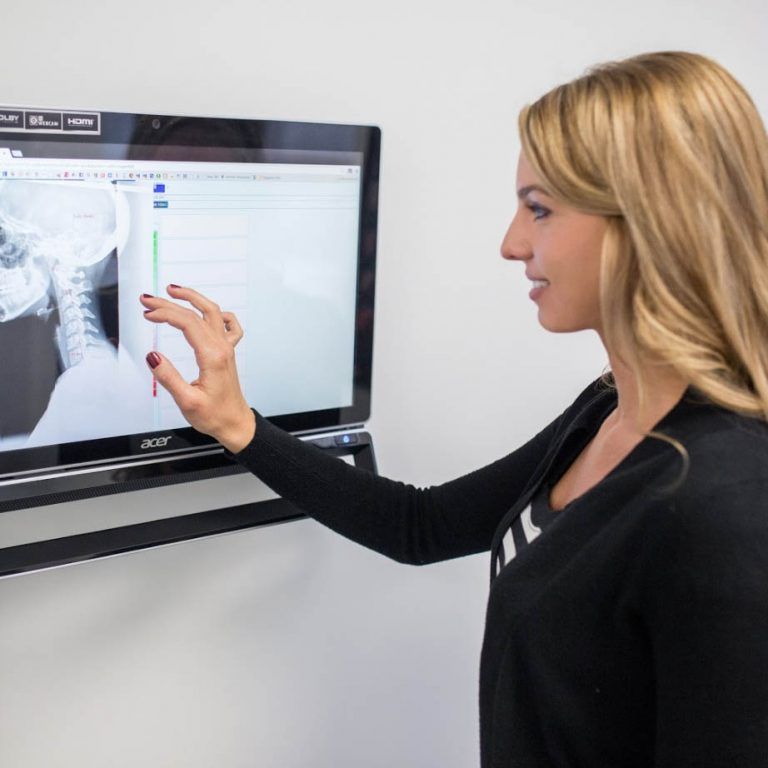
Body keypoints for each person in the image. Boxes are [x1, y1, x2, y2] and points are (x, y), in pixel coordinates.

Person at [139, 50, 768, 767]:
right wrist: (237, 425)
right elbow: (422, 525)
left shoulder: (726, 502)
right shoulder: (609, 410)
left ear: (652, 222)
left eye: (540, 209)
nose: (511, 243)